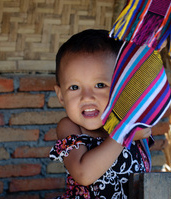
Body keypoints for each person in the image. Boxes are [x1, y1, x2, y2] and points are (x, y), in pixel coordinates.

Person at [49, 29, 152, 198]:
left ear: (122, 86)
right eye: (74, 87)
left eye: (100, 85)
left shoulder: (133, 123)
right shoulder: (69, 127)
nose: (87, 97)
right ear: (61, 95)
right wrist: (124, 135)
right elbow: (84, 174)